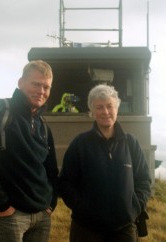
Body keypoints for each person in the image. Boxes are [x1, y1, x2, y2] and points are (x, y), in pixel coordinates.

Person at [0, 60, 59, 242]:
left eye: (46, 87)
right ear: (21, 83)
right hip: (9, 216)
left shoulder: (43, 125)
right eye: (36, 84)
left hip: (41, 216)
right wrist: (1, 205)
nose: (41, 91)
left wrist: (51, 203)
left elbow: (50, 168)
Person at [59, 84, 152, 242]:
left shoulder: (131, 143)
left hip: (125, 229)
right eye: (99, 107)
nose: (105, 112)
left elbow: (144, 180)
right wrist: (82, 210)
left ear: (117, 108)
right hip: (86, 229)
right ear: (92, 111)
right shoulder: (80, 144)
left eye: (110, 106)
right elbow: (65, 182)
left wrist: (134, 208)